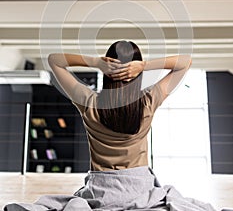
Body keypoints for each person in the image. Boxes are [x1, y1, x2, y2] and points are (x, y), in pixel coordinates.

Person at [4, 40, 217, 211]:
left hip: (101, 191)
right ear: (137, 73)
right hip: (140, 188)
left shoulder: (89, 101)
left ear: (107, 71)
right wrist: (144, 66)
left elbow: (54, 60)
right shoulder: (148, 101)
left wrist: (95, 62)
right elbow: (185, 62)